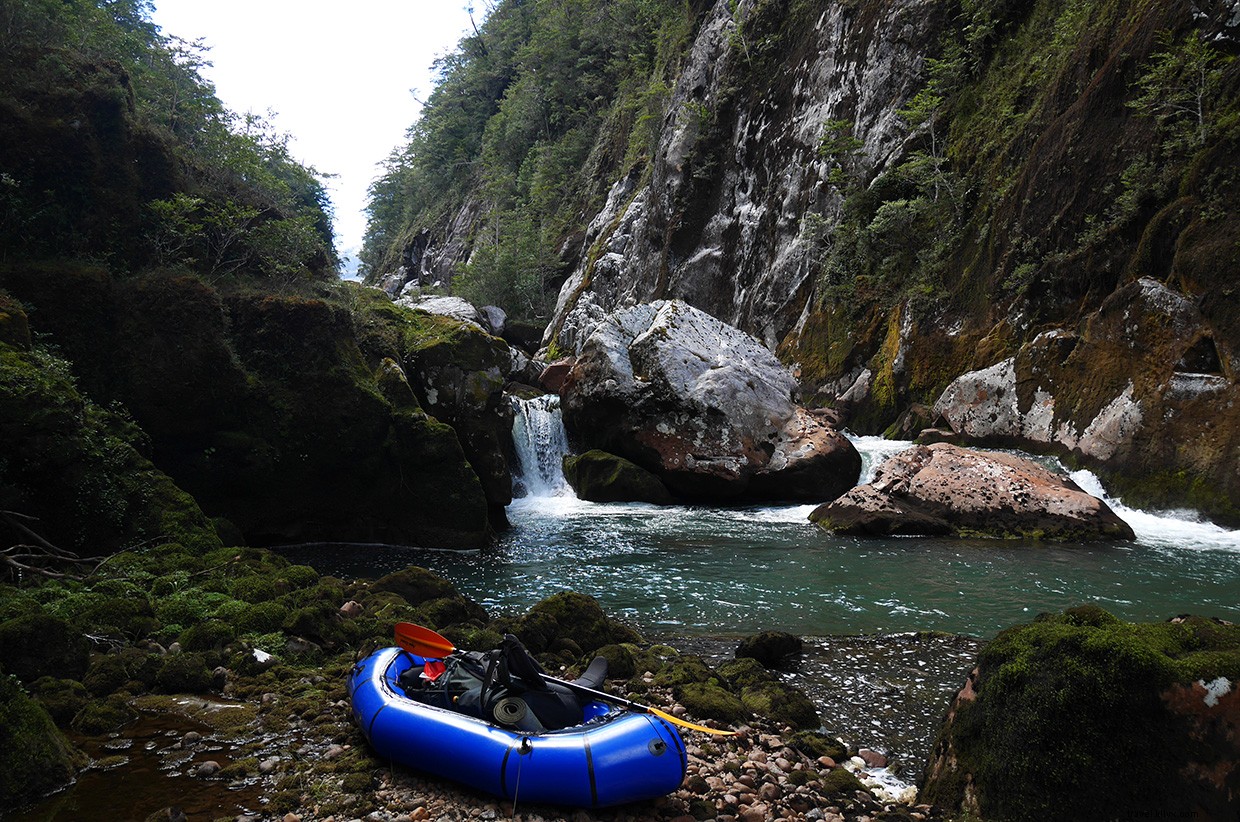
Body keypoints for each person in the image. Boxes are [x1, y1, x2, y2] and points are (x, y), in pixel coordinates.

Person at [399, 633, 609, 732]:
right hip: (552, 705)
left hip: (534, 695)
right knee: (568, 692)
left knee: (562, 690)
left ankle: (586, 687)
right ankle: (588, 687)